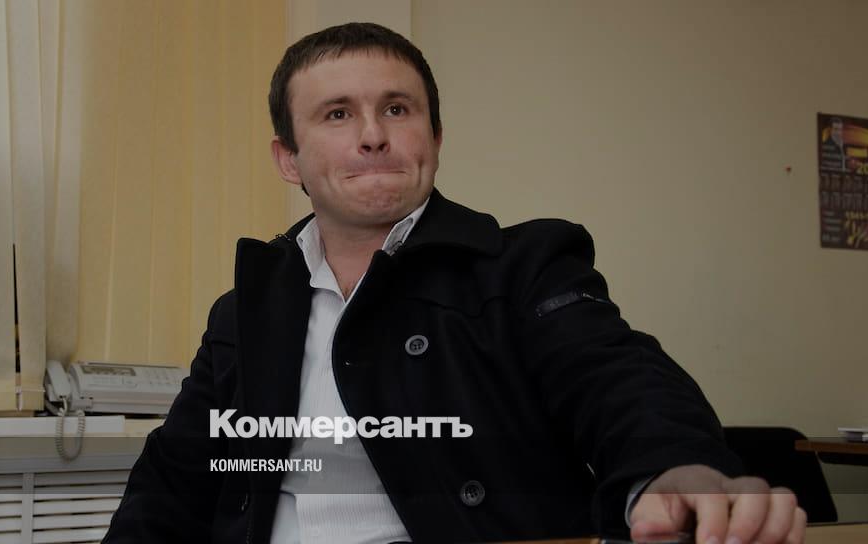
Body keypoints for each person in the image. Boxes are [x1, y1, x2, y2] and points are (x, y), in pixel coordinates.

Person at [104, 23, 806, 544]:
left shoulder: (523, 266)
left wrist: (673, 469)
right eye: (338, 114)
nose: (373, 135)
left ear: (434, 139)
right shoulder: (246, 310)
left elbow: (616, 379)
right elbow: (175, 477)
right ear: (289, 159)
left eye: (397, 109)